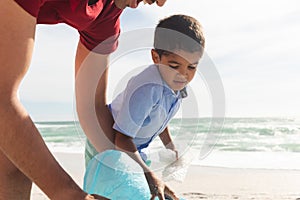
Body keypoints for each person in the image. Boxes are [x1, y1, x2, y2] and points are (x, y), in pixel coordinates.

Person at [0, 0, 167, 199]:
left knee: (14, 165)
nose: (159, 2)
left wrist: (138, 174)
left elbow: (93, 108)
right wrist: (70, 194)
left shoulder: (106, 13)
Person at [84, 14, 205, 200]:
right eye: (174, 65)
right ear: (156, 57)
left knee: (150, 193)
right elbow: (122, 138)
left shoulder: (177, 85)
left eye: (192, 67)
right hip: (108, 144)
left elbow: (160, 117)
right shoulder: (146, 89)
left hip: (132, 148)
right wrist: (149, 174)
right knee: (112, 194)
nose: (183, 75)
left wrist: (170, 145)